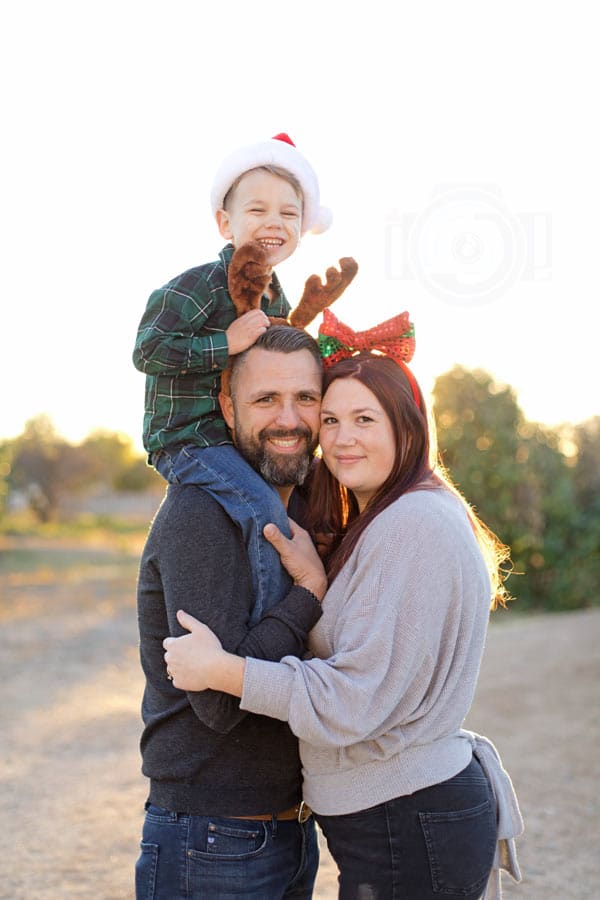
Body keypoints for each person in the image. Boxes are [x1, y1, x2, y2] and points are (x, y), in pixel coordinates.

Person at [163, 312, 524, 900]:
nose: (342, 438)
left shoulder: (413, 524)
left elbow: (356, 699)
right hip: (397, 817)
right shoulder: (391, 515)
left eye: (364, 419)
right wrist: (313, 582)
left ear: (408, 426)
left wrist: (226, 671)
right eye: (330, 419)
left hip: (407, 818)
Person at [135, 326, 328, 900]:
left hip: (287, 828)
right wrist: (309, 595)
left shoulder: (298, 509)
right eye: (265, 399)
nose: (288, 419)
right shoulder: (204, 513)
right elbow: (218, 701)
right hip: (213, 837)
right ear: (227, 406)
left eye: (306, 399)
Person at [132, 132, 333, 625]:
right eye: (257, 210)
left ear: (303, 228)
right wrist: (226, 343)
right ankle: (272, 621)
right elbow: (147, 350)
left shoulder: (278, 298)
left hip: (231, 439)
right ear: (226, 222)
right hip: (187, 439)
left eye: (289, 214)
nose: (274, 223)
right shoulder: (199, 285)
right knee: (259, 504)